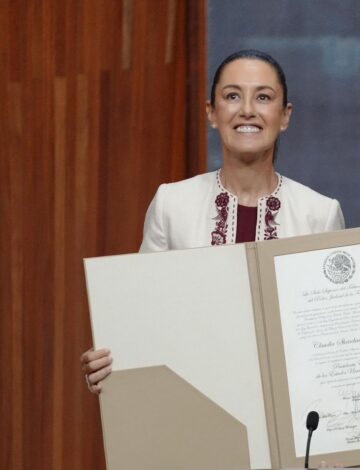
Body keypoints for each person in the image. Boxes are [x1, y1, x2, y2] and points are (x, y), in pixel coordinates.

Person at [81, 49, 345, 393]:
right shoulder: (171, 204)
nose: (247, 109)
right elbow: (142, 320)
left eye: (263, 97)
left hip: (292, 412)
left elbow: (334, 340)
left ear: (285, 116)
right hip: (192, 410)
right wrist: (107, 365)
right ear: (211, 112)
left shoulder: (320, 213)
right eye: (232, 96)